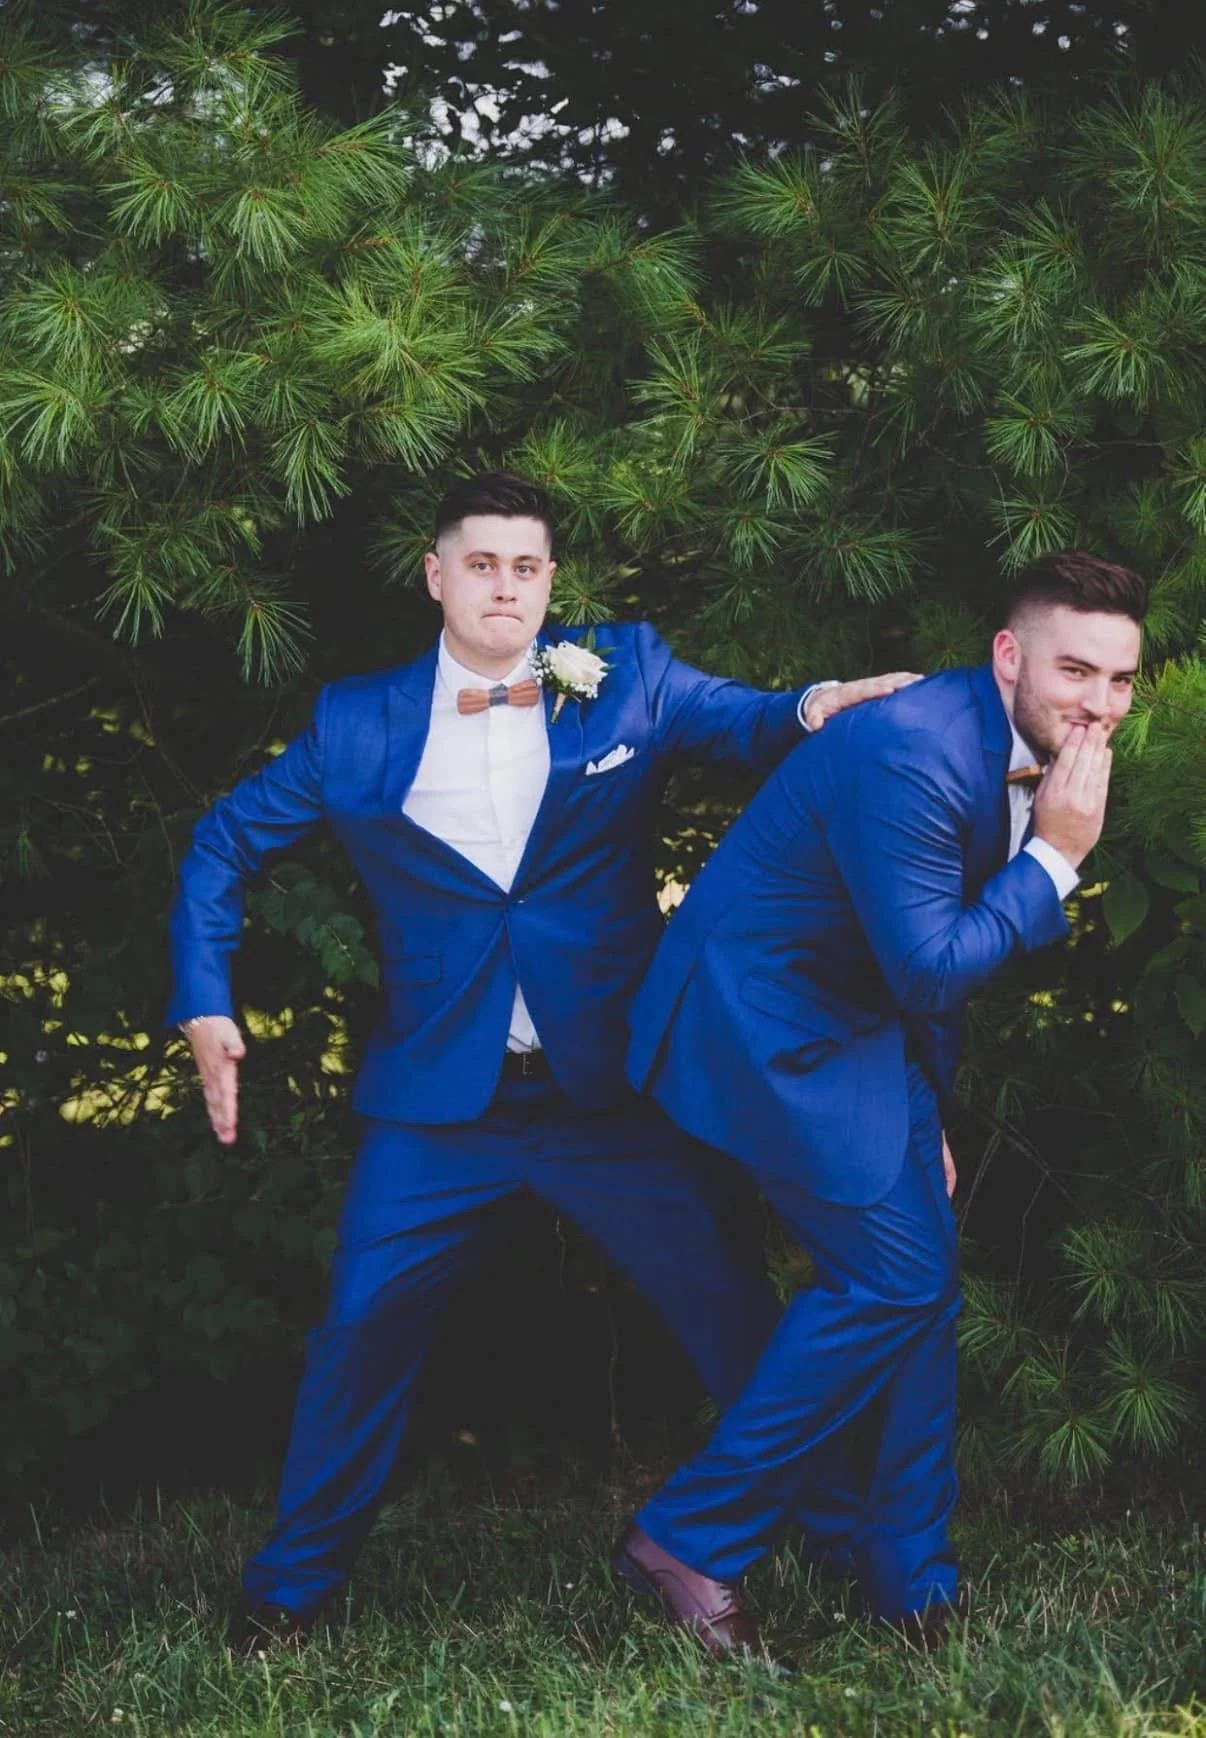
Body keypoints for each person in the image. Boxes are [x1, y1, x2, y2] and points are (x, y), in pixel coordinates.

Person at [167, 469, 914, 1651]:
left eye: (527, 566)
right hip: (438, 1109)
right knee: (359, 1327)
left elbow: (754, 720)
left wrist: (821, 701)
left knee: (732, 1315)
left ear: (551, 581)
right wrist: (205, 999)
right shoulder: (354, 721)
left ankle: (843, 1539)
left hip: (609, 1093)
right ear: (436, 574)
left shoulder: (627, 674)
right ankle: (287, 1592)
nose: (505, 585)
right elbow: (222, 844)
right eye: (481, 564)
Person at [619, 551, 1146, 1658]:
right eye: (1075, 672)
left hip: (862, 1024)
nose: (1098, 707)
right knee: (895, 1276)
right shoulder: (916, 752)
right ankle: (689, 1535)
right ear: (1008, 656)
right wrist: (1054, 856)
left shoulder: (1029, 747)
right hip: (759, 1025)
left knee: (926, 1281)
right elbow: (930, 965)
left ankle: (906, 1571)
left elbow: (913, 961)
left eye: (1120, 681)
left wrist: (923, 1115)